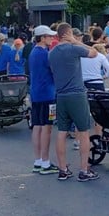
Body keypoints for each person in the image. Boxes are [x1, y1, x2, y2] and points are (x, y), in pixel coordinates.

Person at [49, 22, 99, 182]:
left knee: (62, 132)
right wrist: (76, 41)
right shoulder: (73, 48)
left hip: (61, 95)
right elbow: (94, 53)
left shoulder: (52, 52)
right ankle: (84, 170)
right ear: (68, 33)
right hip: (76, 94)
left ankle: (62, 169)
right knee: (84, 131)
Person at [28, 25, 59, 174]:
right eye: (49, 36)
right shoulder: (45, 54)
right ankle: (46, 162)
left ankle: (38, 160)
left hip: (36, 93)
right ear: (42, 38)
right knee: (47, 126)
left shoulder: (34, 52)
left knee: (37, 126)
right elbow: (54, 70)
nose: (52, 38)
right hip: (48, 94)